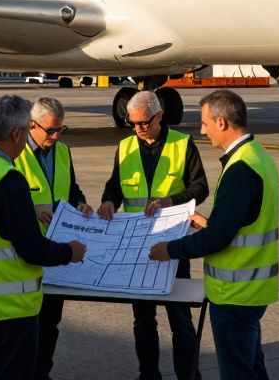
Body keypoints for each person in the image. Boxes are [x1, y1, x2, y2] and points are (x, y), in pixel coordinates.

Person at [0, 95, 87, 380]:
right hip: (6, 311)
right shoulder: (7, 178)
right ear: (16, 134)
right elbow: (31, 248)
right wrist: (69, 252)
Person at [149, 90, 279, 380]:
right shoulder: (258, 156)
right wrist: (212, 223)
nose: (202, 130)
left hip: (234, 294)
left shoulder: (240, 169)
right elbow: (244, 223)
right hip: (253, 290)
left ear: (221, 122)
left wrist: (170, 249)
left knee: (237, 373)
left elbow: (217, 239)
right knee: (252, 369)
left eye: (205, 123)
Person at [98, 90, 208, 380]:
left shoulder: (181, 144)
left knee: (180, 318)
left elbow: (200, 188)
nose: (137, 129)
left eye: (143, 123)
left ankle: (188, 376)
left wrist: (171, 201)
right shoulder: (125, 146)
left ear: (159, 116)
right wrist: (108, 201)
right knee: (143, 319)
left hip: (173, 244)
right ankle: (148, 375)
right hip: (137, 246)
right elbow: (115, 185)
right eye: (132, 123)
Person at [12, 97, 93, 380]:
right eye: (51, 130)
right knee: (26, 324)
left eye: (61, 129)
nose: (57, 136)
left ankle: (42, 373)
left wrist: (80, 202)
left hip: (57, 250)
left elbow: (72, 189)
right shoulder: (15, 154)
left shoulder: (62, 151)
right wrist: (31, 210)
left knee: (50, 323)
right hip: (27, 253)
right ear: (31, 125)